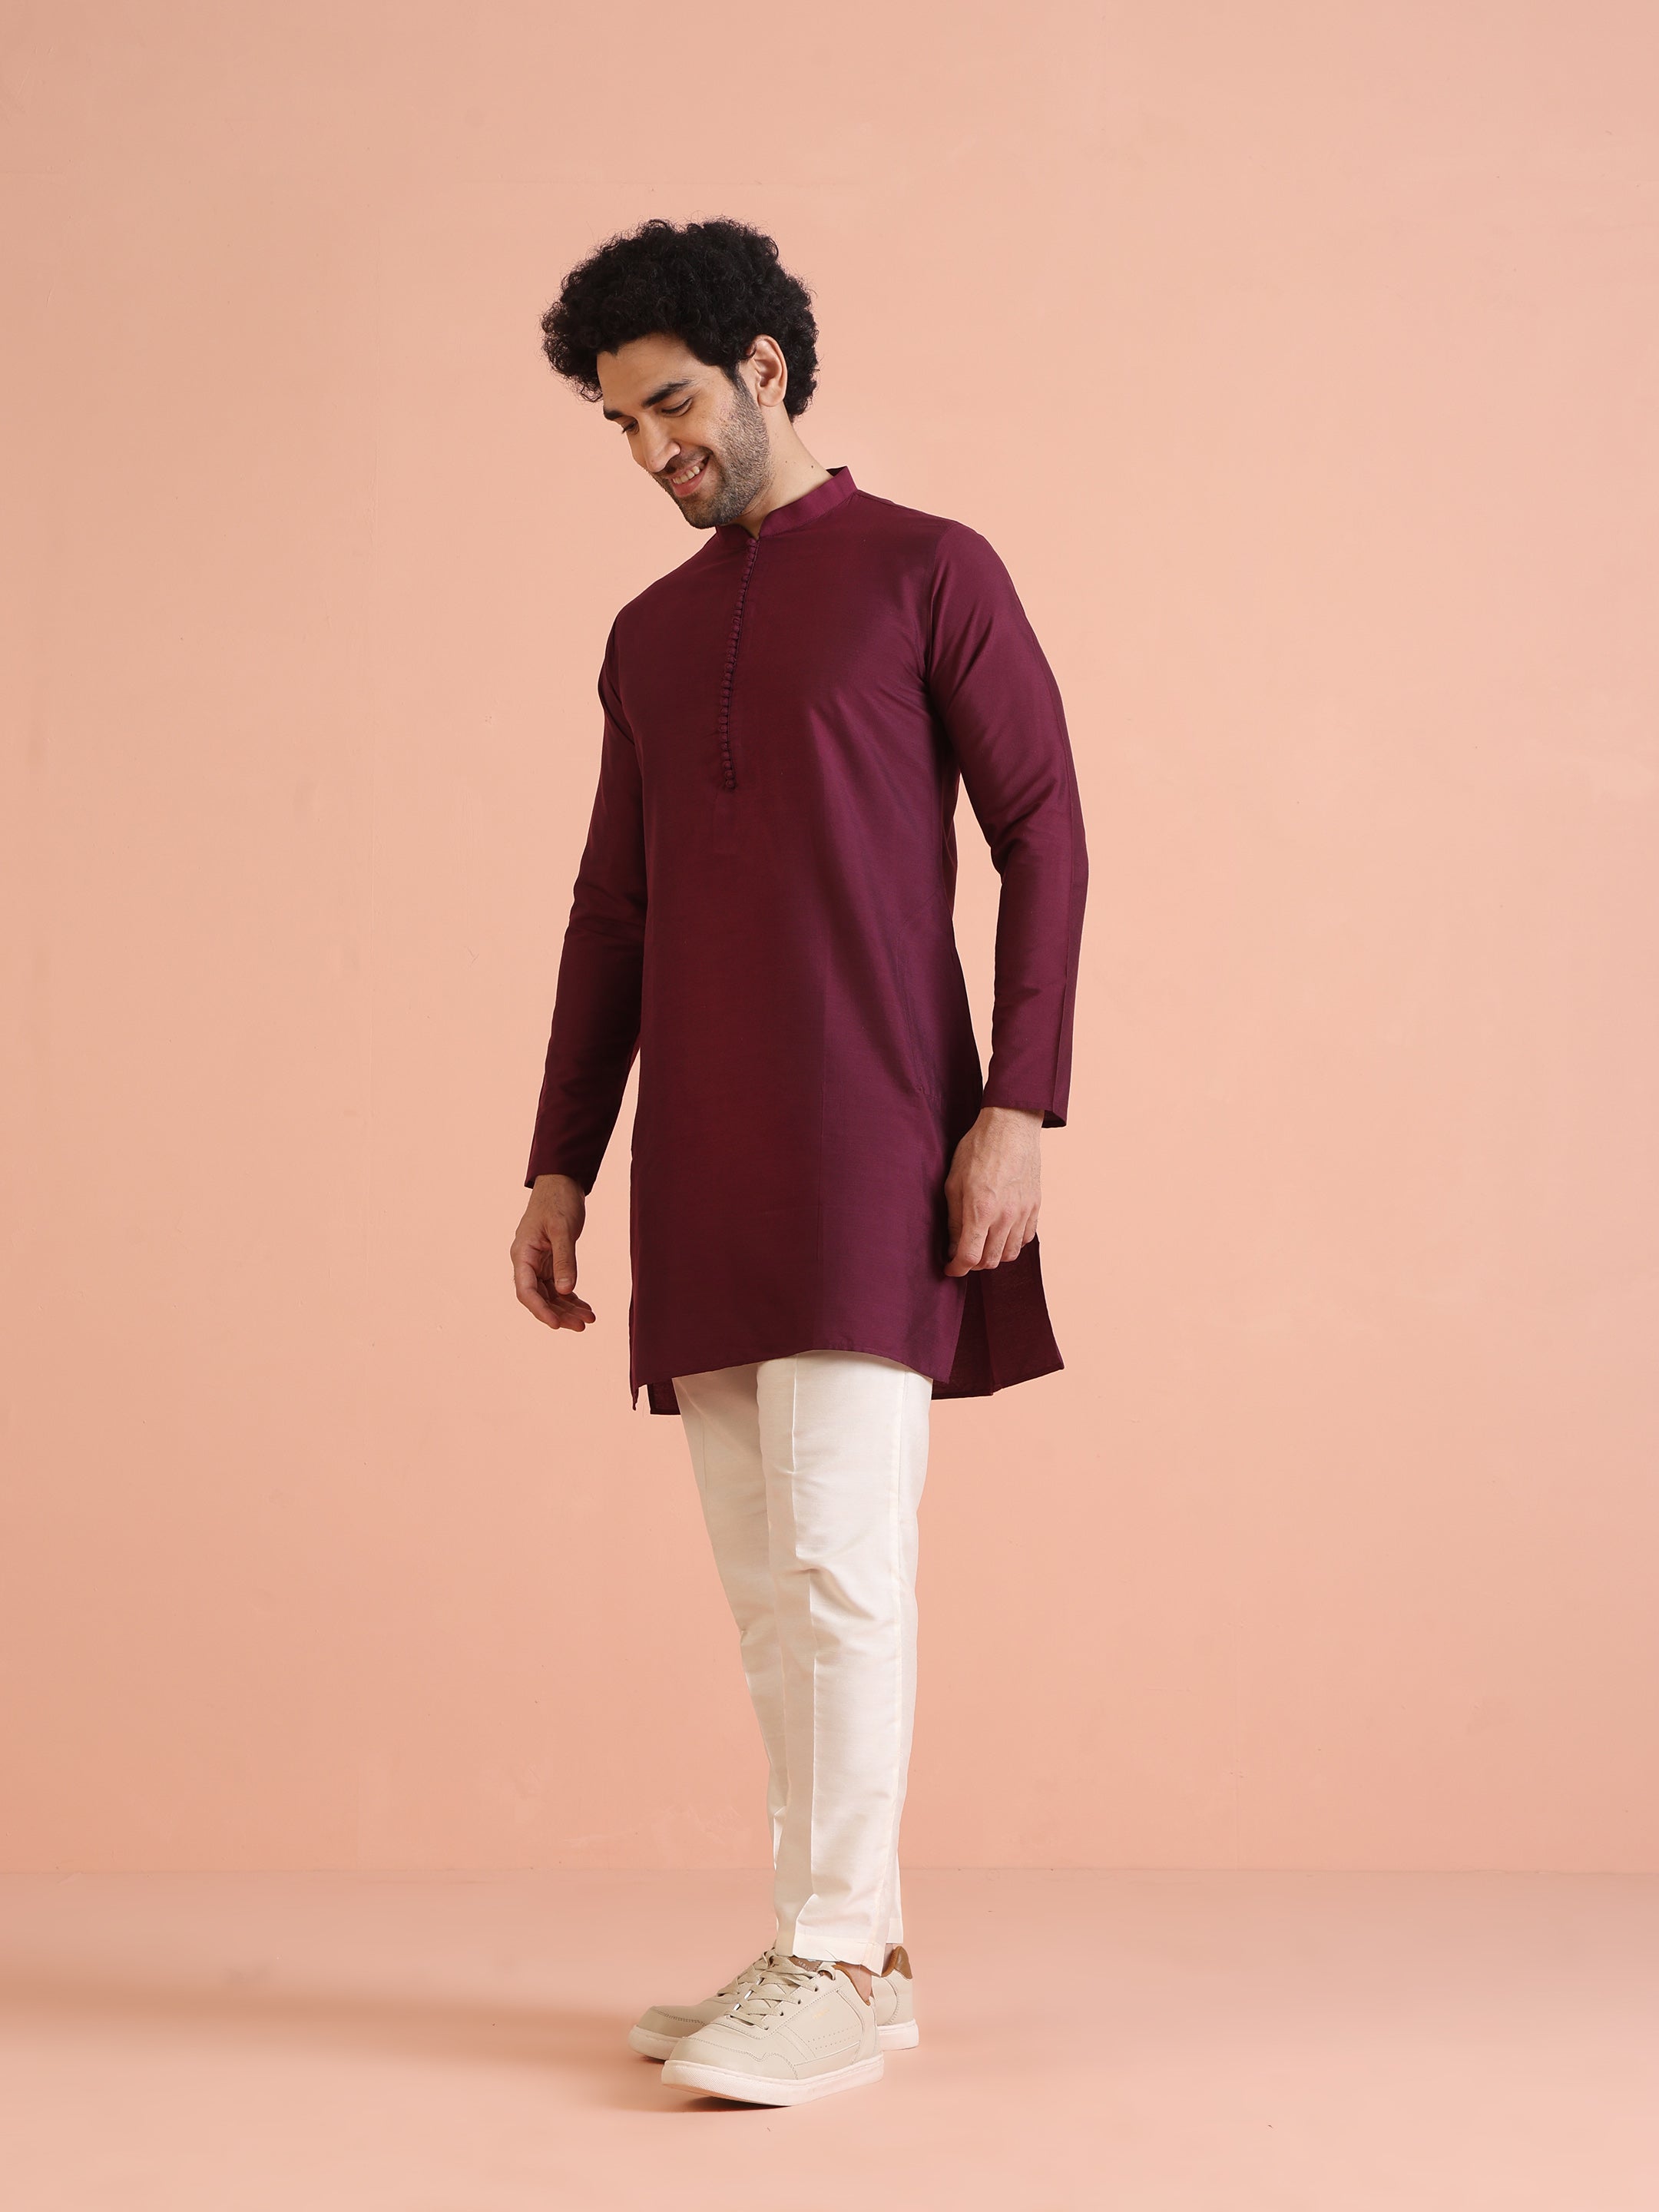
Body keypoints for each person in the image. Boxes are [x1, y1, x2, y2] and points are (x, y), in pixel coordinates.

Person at [510, 217, 1088, 2106]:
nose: (650, 450)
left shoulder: (931, 571)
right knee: (770, 1587)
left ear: (766, 368)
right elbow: (613, 909)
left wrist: (1019, 1106)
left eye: (672, 404)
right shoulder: (647, 636)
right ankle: (852, 1950)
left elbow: (1044, 828)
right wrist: (561, 1162)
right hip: (703, 1160)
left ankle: (828, 1956)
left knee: (842, 1560)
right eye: (620, 424)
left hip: (876, 1142)